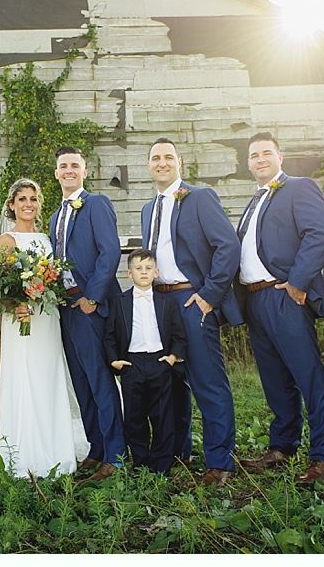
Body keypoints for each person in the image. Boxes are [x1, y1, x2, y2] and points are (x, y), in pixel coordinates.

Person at [235, 132, 324, 486]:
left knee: (308, 376)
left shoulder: (299, 187)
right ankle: (282, 446)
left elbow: (318, 234)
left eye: (266, 153)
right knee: (275, 379)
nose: (260, 159)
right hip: (256, 300)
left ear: (280, 156)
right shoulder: (254, 201)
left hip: (285, 295)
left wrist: (298, 282)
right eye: (254, 155)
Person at [142, 137, 240, 487]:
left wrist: (208, 295)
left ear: (179, 161)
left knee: (207, 381)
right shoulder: (148, 208)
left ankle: (220, 461)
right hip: (162, 305)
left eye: (168, 157)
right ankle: (179, 451)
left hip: (191, 301)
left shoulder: (198, 198)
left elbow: (227, 246)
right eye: (156, 158)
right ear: (149, 164)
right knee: (171, 384)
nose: (162, 163)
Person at [0, 178, 84, 478]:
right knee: (23, 376)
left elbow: (55, 277)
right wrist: (14, 303)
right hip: (19, 319)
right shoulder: (7, 241)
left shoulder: (48, 240)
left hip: (46, 317)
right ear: (12, 205)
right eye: (22, 199)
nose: (28, 204)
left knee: (48, 375)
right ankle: (24, 454)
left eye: (33, 198)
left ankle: (56, 450)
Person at [49, 147, 125, 482]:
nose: (69, 170)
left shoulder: (96, 204)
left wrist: (92, 297)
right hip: (65, 307)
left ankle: (115, 455)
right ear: (56, 173)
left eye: (74, 166)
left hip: (89, 306)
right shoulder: (55, 216)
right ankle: (96, 449)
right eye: (63, 166)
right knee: (81, 382)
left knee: (99, 380)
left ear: (84, 171)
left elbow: (110, 251)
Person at [103, 249, 187, 474]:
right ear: (129, 273)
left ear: (156, 272)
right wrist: (115, 361)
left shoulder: (166, 302)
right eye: (138, 268)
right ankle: (140, 464)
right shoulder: (120, 302)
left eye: (148, 268)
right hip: (132, 364)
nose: (143, 272)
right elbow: (109, 334)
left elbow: (179, 333)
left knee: (162, 416)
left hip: (160, 362)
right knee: (134, 416)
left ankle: (161, 467)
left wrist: (171, 358)